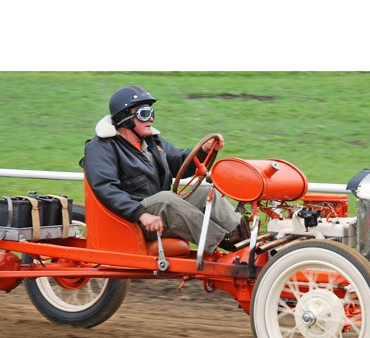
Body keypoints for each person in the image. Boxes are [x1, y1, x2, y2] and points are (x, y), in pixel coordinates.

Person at [80, 85, 249, 253]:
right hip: (132, 218)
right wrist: (141, 214)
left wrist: (204, 150)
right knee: (165, 199)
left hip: (159, 209)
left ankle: (247, 241)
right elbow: (105, 187)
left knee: (206, 194)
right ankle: (224, 240)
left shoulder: (153, 141)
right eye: (144, 113)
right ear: (125, 118)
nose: (151, 119)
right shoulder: (101, 147)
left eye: (151, 113)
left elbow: (178, 163)